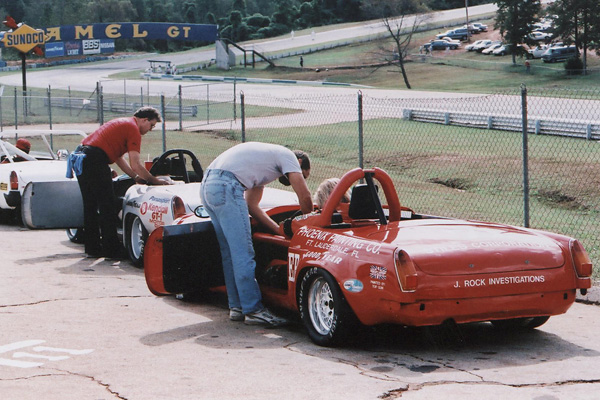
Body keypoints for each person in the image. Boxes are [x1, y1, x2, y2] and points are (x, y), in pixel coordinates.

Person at [200, 142, 313, 327]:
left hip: (209, 185)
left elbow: (252, 206)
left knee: (230, 254)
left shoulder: (263, 166)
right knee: (244, 254)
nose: (301, 179)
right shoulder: (289, 157)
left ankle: (237, 307)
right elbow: (305, 197)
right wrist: (306, 229)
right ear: (299, 162)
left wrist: (279, 231)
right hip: (227, 185)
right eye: (303, 175)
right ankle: (253, 310)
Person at [72, 106, 170, 259]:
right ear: (144, 120)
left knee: (90, 205)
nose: (150, 129)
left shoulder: (123, 123)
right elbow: (136, 164)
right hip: (94, 159)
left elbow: (118, 157)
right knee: (108, 205)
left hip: (81, 157)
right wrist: (155, 181)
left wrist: (135, 177)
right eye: (151, 125)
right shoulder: (133, 130)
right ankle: (111, 249)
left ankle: (93, 248)